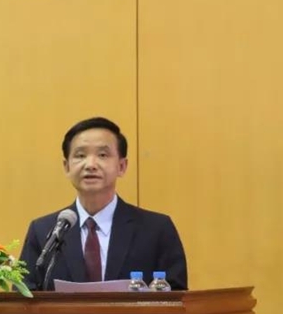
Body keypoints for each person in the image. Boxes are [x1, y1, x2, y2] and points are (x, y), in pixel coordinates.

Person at [20, 117, 188, 291]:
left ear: (122, 166)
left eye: (102, 155)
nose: (90, 165)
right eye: (80, 155)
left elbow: (177, 296)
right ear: (67, 167)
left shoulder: (156, 230)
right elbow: (24, 295)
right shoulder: (43, 231)